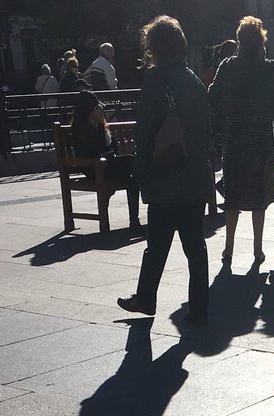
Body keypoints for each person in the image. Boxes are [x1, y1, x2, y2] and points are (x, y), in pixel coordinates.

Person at [117, 16, 212, 325]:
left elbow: (145, 135)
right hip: (194, 176)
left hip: (164, 177)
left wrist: (141, 174)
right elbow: (207, 131)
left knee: (156, 245)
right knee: (195, 247)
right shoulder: (194, 81)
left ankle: (146, 298)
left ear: (154, 47)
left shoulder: (155, 83)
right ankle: (199, 308)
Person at [209, 16, 274, 266]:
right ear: (261, 42)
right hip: (261, 140)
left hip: (234, 139)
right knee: (259, 196)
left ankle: (228, 247)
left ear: (239, 41)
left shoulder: (227, 67)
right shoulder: (270, 68)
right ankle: (257, 249)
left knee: (233, 195)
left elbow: (213, 96)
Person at [70, 90, 141, 230]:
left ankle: (134, 222)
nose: (99, 110)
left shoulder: (94, 123)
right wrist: (100, 124)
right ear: (89, 109)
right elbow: (95, 149)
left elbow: (112, 147)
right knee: (132, 161)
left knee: (133, 180)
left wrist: (101, 124)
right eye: (96, 108)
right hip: (94, 168)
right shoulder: (81, 127)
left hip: (105, 165)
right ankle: (148, 181)